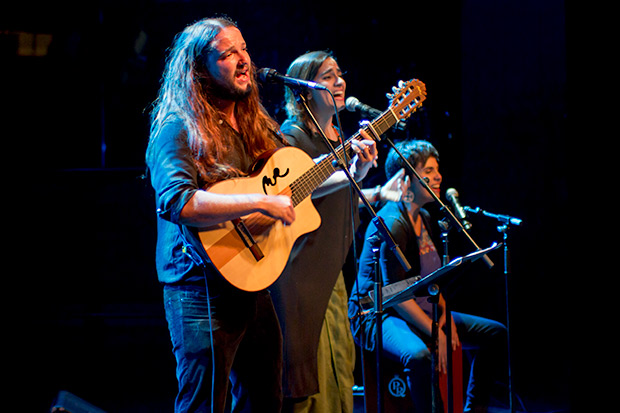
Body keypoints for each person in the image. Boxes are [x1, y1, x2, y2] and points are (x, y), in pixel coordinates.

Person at [145, 17, 295, 412]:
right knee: (205, 404)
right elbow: (179, 201)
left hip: (250, 278)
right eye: (227, 53)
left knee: (265, 399)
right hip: (199, 284)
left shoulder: (251, 124)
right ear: (199, 69)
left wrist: (357, 170)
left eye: (243, 48)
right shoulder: (177, 127)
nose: (243, 59)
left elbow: (291, 188)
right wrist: (260, 203)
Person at [269, 50, 406, 413]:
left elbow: (340, 191)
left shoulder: (337, 135)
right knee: (308, 370)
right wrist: (347, 159)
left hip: (330, 265)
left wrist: (361, 171)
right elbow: (300, 187)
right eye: (328, 77)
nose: (340, 81)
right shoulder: (291, 136)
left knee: (340, 364)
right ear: (304, 91)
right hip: (300, 269)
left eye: (340, 74)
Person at [348, 139, 507, 413]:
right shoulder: (394, 222)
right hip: (374, 313)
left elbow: (433, 280)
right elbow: (394, 296)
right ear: (406, 179)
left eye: (438, 170)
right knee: (419, 355)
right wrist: (438, 333)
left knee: (494, 333)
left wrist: (444, 318)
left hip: (412, 305)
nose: (438, 177)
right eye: (429, 171)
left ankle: (475, 408)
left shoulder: (424, 217)